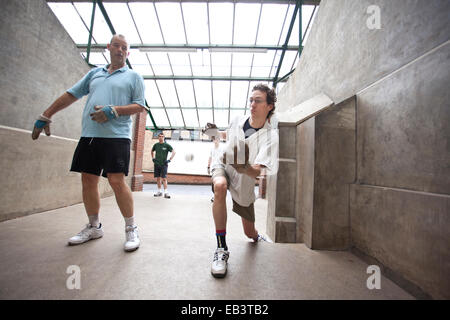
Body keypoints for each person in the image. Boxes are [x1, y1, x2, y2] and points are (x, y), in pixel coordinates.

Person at [31, 34, 145, 252]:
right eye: (116, 46)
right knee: (88, 180)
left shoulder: (133, 77)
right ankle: (94, 227)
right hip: (90, 135)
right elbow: (71, 95)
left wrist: (114, 111)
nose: (120, 50)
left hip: (118, 136)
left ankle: (131, 228)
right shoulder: (94, 73)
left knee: (116, 181)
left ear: (128, 53)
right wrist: (46, 115)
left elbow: (140, 106)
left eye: (124, 48)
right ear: (108, 48)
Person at [209, 83, 279, 278]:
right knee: (220, 187)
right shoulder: (238, 120)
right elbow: (227, 136)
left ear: (269, 106)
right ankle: (221, 250)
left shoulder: (271, 137)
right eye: (251, 100)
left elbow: (258, 172)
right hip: (222, 164)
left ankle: (257, 236)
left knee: (249, 233)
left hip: (245, 181)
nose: (252, 104)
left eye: (258, 101)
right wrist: (215, 134)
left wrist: (244, 167)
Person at [151, 132, 176, 199]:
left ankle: (166, 192)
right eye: (159, 136)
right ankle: (159, 191)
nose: (161, 137)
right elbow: (152, 151)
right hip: (157, 164)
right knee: (158, 178)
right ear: (158, 137)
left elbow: (174, 152)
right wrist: (153, 158)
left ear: (164, 137)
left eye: (162, 136)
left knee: (164, 178)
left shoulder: (167, 145)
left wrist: (169, 160)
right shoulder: (156, 145)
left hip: (164, 164)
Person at [207, 136, 222, 203]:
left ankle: (217, 196)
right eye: (214, 139)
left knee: (218, 182)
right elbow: (210, 158)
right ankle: (215, 195)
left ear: (219, 140)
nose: (215, 140)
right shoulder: (212, 149)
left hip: (220, 168)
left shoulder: (222, 148)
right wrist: (208, 167)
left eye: (216, 139)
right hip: (213, 168)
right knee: (213, 183)